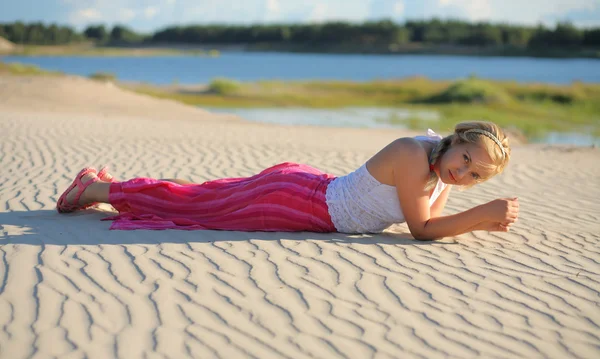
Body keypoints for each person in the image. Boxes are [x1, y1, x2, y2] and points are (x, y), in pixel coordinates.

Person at [56, 120, 519, 240]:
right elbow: (421, 231)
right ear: (456, 139)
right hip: (301, 204)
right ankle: (92, 190)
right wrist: (481, 217)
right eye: (465, 158)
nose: (463, 172)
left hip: (311, 191)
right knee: (197, 205)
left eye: (475, 175)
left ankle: (105, 184)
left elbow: (430, 219)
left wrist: (472, 214)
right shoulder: (413, 154)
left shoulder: (438, 173)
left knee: (205, 195)